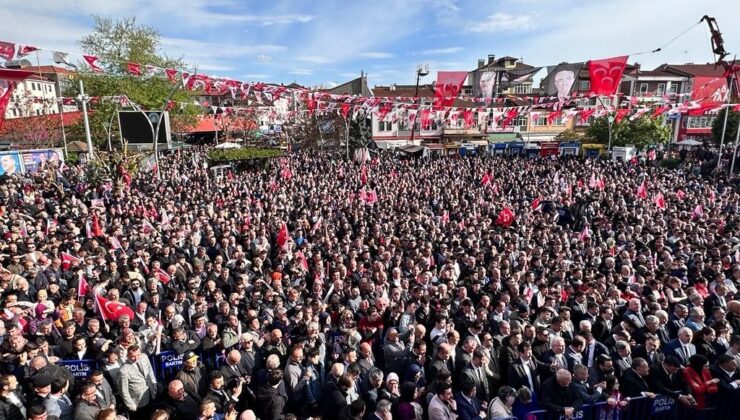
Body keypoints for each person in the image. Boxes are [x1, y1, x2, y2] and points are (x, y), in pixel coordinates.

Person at [118, 345, 158, 415]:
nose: (136, 358)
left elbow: (150, 371)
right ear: (128, 356)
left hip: (151, 394)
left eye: (138, 355)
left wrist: (154, 385)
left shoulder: (144, 357)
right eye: (133, 356)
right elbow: (123, 391)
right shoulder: (123, 370)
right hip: (138, 403)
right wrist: (130, 404)